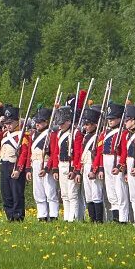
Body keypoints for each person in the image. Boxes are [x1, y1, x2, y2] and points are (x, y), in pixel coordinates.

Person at [56, 93, 86, 222]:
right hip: (61, 163)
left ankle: (73, 218)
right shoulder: (59, 134)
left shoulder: (76, 133)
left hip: (71, 164)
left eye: (62, 123)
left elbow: (78, 153)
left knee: (73, 194)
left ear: (69, 121)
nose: (60, 125)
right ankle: (67, 218)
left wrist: (76, 169)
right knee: (64, 194)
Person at [28, 106, 60, 221]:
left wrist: (47, 168)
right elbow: (28, 153)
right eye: (37, 121)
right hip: (35, 164)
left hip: (47, 164)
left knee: (50, 190)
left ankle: (53, 214)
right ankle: (42, 215)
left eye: (40, 121)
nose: (37, 124)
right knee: (38, 191)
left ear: (46, 122)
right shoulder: (33, 135)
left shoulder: (51, 134)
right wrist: (28, 169)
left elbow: (54, 153)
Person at [101, 102, 130, 224]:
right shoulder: (105, 132)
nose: (110, 121)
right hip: (106, 160)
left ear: (119, 119)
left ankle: (122, 218)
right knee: (111, 190)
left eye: (113, 119)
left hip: (116, 160)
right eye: (109, 119)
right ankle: (115, 217)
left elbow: (124, 152)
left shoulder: (122, 133)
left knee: (120, 191)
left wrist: (120, 165)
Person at [0, 105, 28, 221]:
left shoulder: (23, 136)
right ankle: (9, 215)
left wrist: (18, 169)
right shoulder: (5, 135)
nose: (8, 125)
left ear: (17, 122)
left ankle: (18, 216)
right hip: (4, 165)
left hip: (14, 166)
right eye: (6, 123)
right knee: (6, 192)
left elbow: (24, 153)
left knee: (17, 193)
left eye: (10, 123)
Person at [80, 104, 105, 222]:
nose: (85, 127)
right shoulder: (86, 137)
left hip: (93, 165)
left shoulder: (99, 137)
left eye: (88, 124)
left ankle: (99, 221)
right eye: (85, 124)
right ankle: (92, 219)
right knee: (88, 195)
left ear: (95, 124)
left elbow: (99, 154)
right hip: (85, 165)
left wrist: (94, 170)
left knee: (96, 194)